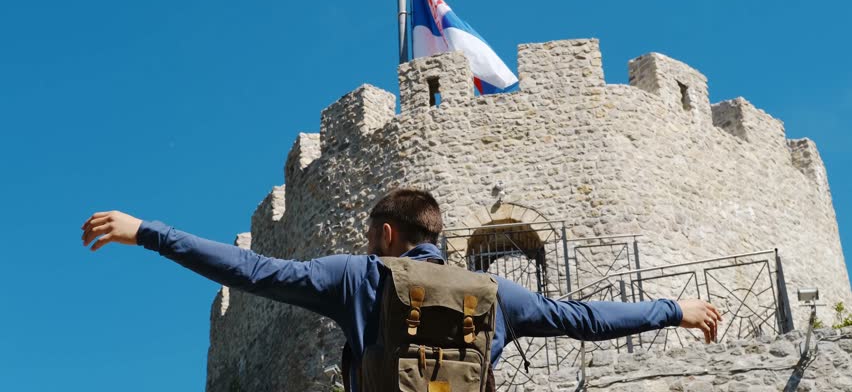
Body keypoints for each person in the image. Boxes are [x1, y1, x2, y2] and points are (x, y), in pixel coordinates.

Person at [81, 188, 721, 391]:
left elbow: (251, 271)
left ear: (386, 233)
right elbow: (583, 318)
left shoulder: (359, 277)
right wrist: (674, 309)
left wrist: (150, 233)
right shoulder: (498, 292)